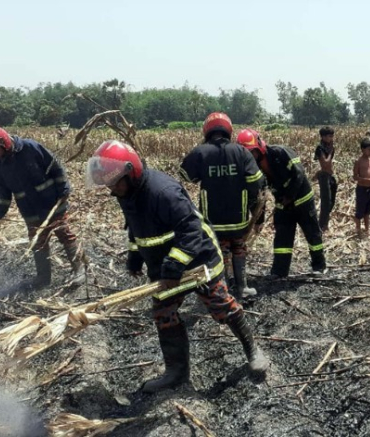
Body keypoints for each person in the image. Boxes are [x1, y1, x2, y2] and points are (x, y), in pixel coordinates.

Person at [87, 140, 267, 393]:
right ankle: (177, 373)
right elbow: (136, 228)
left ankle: (253, 351)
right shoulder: (126, 192)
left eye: (115, 182)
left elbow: (191, 230)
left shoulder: (163, 192)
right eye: (109, 183)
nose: (113, 189)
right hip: (165, 266)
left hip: (199, 260)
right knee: (164, 314)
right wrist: (135, 256)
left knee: (222, 305)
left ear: (132, 171)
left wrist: (174, 265)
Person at [0, 124, 85, 289]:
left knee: (64, 233)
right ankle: (43, 279)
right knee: (37, 241)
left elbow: (55, 167)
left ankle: (79, 271)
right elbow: (2, 193)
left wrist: (63, 190)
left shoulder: (30, 148)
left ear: (3, 142)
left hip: (51, 201)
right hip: (29, 209)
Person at [180, 113, 263, 299]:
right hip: (238, 218)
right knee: (239, 248)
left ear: (207, 131)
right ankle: (242, 288)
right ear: (228, 130)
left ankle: (223, 291)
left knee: (221, 252)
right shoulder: (241, 152)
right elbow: (256, 181)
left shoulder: (201, 152)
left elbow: (186, 175)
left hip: (213, 219)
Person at [237, 129, 327, 278]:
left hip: (302, 200)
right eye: (245, 153)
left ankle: (319, 266)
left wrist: (290, 195)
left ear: (259, 147)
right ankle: (279, 271)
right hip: (283, 205)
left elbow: (299, 173)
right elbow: (260, 194)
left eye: (251, 152)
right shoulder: (253, 169)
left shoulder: (280, 153)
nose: (249, 156)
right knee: (282, 239)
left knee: (312, 235)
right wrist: (258, 220)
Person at [353, 138, 370, 238]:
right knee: (360, 211)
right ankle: (358, 230)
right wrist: (368, 181)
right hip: (361, 189)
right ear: (362, 149)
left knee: (367, 212)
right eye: (368, 149)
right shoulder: (358, 161)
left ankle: (367, 230)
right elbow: (355, 177)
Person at [314, 126, 337, 232]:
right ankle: (322, 225)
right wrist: (331, 151)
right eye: (329, 136)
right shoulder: (320, 148)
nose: (331, 138)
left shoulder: (329, 147)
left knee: (331, 201)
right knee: (326, 201)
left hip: (330, 176)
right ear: (323, 137)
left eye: (332, 136)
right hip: (324, 176)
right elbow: (326, 163)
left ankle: (324, 221)